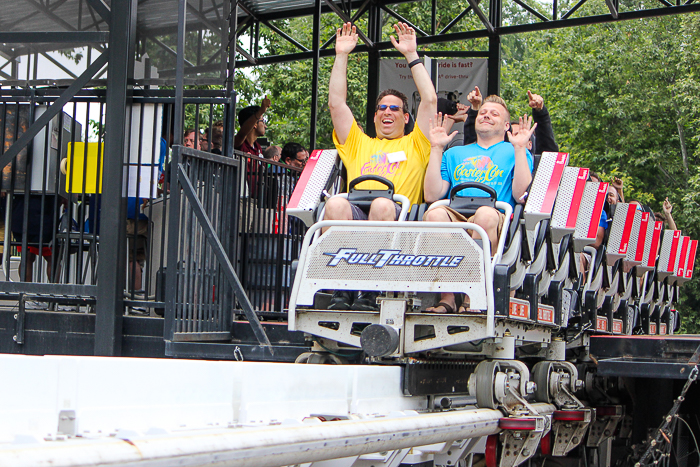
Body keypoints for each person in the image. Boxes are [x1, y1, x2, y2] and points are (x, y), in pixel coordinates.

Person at [325, 22, 437, 311]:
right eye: (381, 108)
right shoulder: (358, 143)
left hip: (398, 222)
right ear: (374, 117)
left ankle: (370, 288)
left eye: (394, 108)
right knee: (336, 205)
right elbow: (336, 103)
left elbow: (430, 99)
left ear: (407, 117)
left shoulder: (417, 144)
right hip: (358, 214)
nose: (387, 112)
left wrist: (411, 54)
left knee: (382, 206)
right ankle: (341, 289)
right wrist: (341, 55)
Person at [423, 95, 535, 314]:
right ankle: (447, 298)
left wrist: (520, 148)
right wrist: (436, 148)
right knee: (434, 214)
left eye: (494, 113)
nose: (486, 115)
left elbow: (520, 193)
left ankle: (472, 296)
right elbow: (432, 194)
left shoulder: (515, 151)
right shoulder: (454, 153)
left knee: (484, 215)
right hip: (456, 211)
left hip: (493, 215)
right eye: (483, 112)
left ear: (505, 126)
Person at [462, 88, 558, 155]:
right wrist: (475, 110)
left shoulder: (530, 163)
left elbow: (548, 153)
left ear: (530, 144)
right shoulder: (475, 157)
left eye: (520, 135)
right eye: (511, 136)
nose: (515, 140)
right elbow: (472, 143)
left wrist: (540, 112)